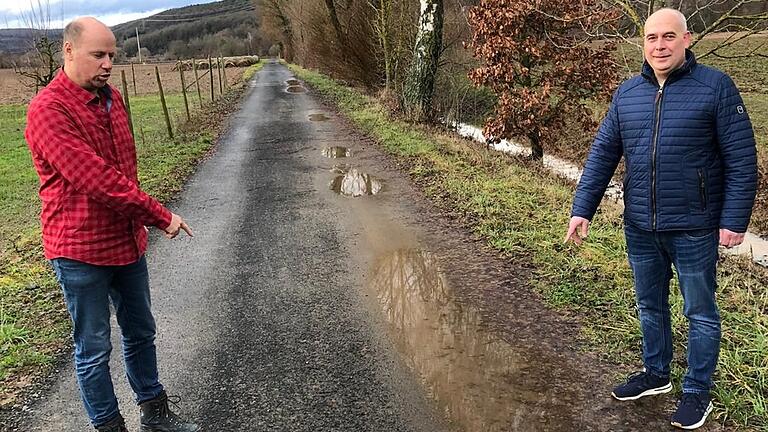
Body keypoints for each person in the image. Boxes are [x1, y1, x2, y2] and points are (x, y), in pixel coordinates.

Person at [564, 8, 757, 431]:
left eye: (669, 36)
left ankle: (697, 391)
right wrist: (583, 208)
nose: (660, 45)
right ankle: (656, 375)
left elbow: (742, 160)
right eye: (652, 37)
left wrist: (734, 219)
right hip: (640, 225)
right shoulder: (628, 93)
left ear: (687, 40)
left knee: (699, 312)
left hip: (694, 225)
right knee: (650, 305)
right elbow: (602, 155)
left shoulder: (716, 88)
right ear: (643, 42)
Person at [25, 17, 199, 432]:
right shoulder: (48, 111)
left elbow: (126, 171)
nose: (107, 64)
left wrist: (140, 225)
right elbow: (98, 179)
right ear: (68, 51)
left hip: (126, 242)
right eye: (98, 55)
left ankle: (155, 414)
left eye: (112, 56)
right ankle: (108, 426)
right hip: (79, 249)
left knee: (141, 331)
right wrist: (161, 216)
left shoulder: (112, 99)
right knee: (94, 347)